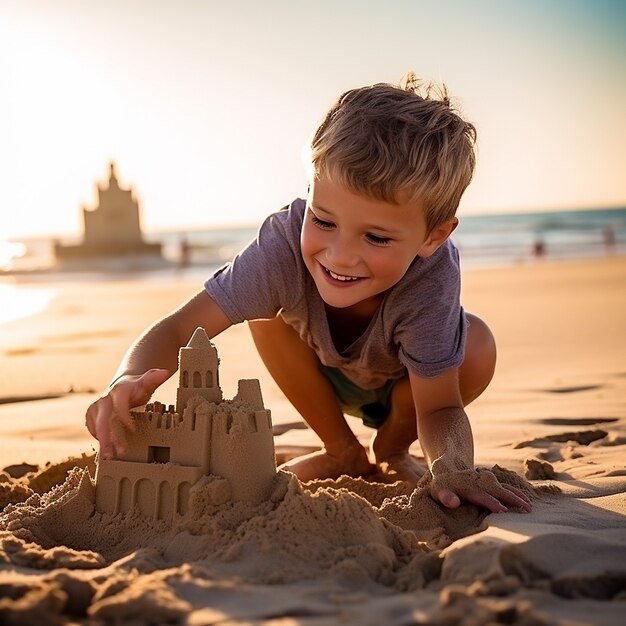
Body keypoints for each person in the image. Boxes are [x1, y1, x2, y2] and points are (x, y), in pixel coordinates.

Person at [86, 74, 531, 514]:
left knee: (476, 345)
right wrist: (125, 380)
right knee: (262, 311)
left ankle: (391, 449)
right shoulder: (280, 246)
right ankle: (340, 449)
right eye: (323, 220)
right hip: (321, 375)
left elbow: (439, 408)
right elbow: (182, 327)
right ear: (309, 194)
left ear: (433, 236)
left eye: (375, 238)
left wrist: (452, 467)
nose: (340, 255)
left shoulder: (430, 279)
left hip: (405, 387)